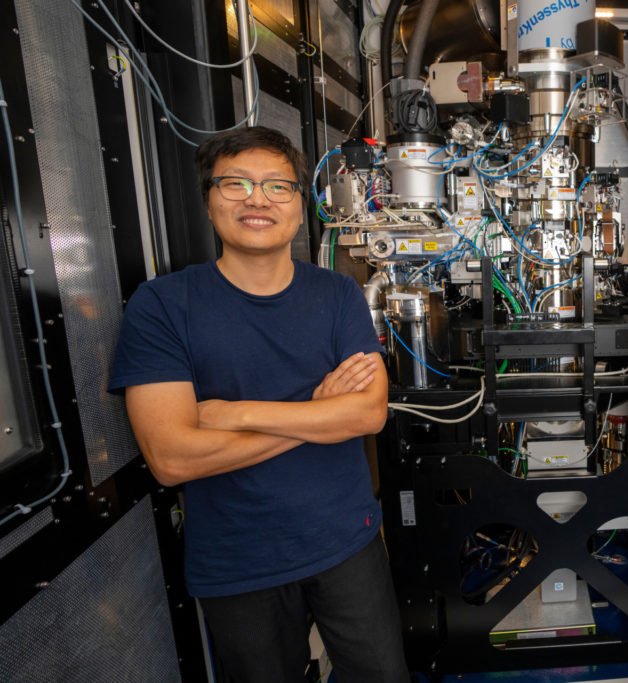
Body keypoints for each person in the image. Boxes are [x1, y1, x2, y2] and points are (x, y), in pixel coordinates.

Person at [109, 126, 408, 683]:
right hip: (237, 560)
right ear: (209, 200)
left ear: (299, 208)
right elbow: (173, 458)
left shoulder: (337, 293)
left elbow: (367, 414)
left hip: (346, 542)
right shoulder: (162, 307)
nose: (257, 199)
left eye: (278, 186)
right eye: (236, 184)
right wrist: (317, 414)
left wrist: (235, 412)